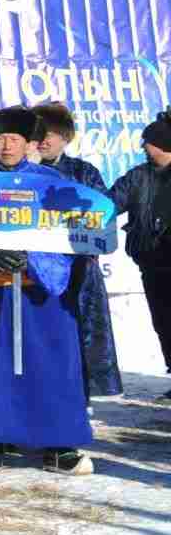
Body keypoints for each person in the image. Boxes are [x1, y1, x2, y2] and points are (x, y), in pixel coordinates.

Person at [0, 107, 91, 476]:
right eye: (0, 139)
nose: (7, 145)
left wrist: (34, 257)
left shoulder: (52, 182)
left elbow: (71, 235)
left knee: (50, 367)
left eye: (14, 139)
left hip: (41, 294)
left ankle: (59, 445)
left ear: (28, 143)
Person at [33, 101, 122, 401]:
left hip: (78, 269)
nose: (44, 140)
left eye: (50, 134)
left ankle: (82, 396)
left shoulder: (83, 172)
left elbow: (103, 215)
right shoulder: (23, 174)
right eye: (39, 133)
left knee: (81, 331)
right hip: (34, 270)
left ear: (65, 138)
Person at [110, 113, 171, 388]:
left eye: (147, 141)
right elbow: (110, 203)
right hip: (151, 263)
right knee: (163, 322)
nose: (143, 147)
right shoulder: (138, 176)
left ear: (162, 143)